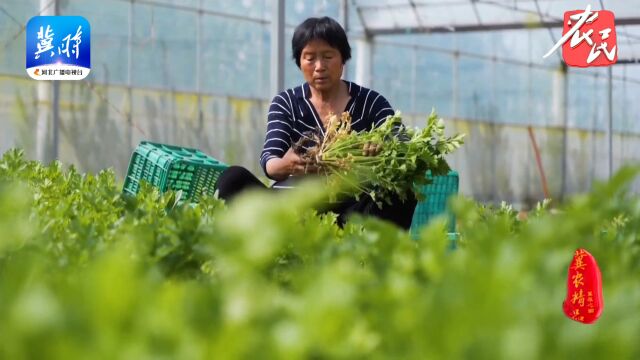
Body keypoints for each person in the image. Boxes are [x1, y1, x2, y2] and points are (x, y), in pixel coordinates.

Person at [215, 16, 417, 229]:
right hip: (293, 209)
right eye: (309, 58)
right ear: (299, 62)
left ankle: (368, 255)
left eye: (328, 56)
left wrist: (381, 144)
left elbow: (402, 141)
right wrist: (290, 164)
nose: (319, 66)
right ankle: (256, 251)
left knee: (401, 190)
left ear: (343, 59)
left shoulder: (370, 102)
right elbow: (270, 161)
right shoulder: (286, 103)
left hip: (351, 211)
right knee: (233, 179)